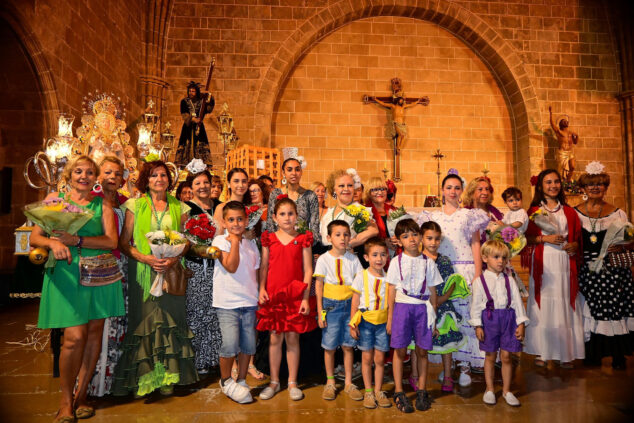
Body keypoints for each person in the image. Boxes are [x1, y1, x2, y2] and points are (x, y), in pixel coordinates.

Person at [31, 155, 124, 422]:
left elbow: (111, 241)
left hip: (98, 274)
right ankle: (65, 402)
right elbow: (35, 237)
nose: (83, 176)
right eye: (78, 172)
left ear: (95, 178)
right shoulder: (56, 201)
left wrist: (77, 239)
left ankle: (82, 396)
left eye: (89, 173)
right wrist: (54, 243)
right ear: (69, 175)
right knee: (73, 338)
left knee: (94, 335)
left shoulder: (102, 205)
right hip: (66, 274)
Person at [113, 160, 197, 397]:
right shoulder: (134, 205)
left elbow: (186, 240)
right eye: (153, 175)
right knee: (146, 323)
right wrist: (146, 258)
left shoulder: (180, 207)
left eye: (163, 175)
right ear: (145, 180)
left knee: (170, 320)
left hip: (170, 272)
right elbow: (124, 242)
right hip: (143, 271)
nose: (159, 179)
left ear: (169, 180)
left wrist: (172, 259)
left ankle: (168, 376)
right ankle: (147, 379)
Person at [419, 170, 489, 386]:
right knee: (445, 319)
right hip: (440, 271)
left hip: (465, 270)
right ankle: (448, 365)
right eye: (448, 187)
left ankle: (465, 365)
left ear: (462, 191)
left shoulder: (470, 215)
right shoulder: (432, 217)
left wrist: (478, 274)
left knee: (464, 317)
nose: (452, 191)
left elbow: (476, 244)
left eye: (457, 188)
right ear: (442, 190)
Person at [257, 198, 317, 401]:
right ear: (274, 217)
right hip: (274, 295)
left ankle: (292, 381)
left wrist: (305, 298)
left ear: (297, 216)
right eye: (282, 214)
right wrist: (262, 288)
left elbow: (308, 271)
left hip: (295, 296)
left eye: (291, 213)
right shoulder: (269, 238)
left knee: (293, 338)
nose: (287, 218)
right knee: (274, 338)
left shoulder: (303, 238)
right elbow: (264, 266)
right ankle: (274, 381)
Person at [575, 164, 633, 369]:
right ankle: (593, 353)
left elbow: (630, 240)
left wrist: (623, 245)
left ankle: (618, 354)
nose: (595, 188)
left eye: (600, 184)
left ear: (606, 187)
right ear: (583, 188)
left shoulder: (617, 214)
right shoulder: (575, 214)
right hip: (586, 270)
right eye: (591, 185)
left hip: (612, 270)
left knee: (613, 309)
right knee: (591, 309)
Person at [525, 169, 584, 368]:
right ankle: (542, 351)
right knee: (545, 303)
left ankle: (565, 352)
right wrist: (544, 238)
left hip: (564, 260)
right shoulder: (533, 211)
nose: (553, 185)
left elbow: (577, 238)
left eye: (556, 182)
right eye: (548, 182)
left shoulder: (569, 211)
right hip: (544, 261)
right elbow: (525, 239)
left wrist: (575, 246)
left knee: (564, 301)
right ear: (540, 186)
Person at [386, 219, 441, 413]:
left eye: (414, 234)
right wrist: (390, 317)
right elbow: (391, 290)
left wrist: (433, 319)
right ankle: (399, 391)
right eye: (405, 236)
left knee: (422, 351)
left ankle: (422, 389)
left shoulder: (428, 262)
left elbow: (433, 291)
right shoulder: (396, 261)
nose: (412, 239)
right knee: (400, 351)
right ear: (399, 241)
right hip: (402, 307)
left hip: (422, 309)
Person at [212, 201, 261, 404]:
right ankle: (225, 380)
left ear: (246, 220)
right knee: (230, 343)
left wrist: (257, 295)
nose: (236, 223)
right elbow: (231, 266)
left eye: (240, 219)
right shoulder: (219, 241)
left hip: (249, 301)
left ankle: (241, 379)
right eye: (231, 220)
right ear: (224, 222)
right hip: (227, 303)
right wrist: (233, 240)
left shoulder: (251, 245)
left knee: (248, 345)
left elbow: (255, 272)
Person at [88, 156, 129, 397]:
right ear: (98, 175)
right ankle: (90, 384)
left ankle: (111, 382)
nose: (112, 178)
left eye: (117, 174)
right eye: (108, 173)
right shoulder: (91, 201)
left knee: (117, 324)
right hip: (97, 267)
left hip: (121, 268)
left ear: (123, 180)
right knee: (96, 326)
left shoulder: (126, 203)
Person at [470, 240, 528, 406]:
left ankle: (507, 391)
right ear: (485, 258)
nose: (501, 261)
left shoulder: (510, 280)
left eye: (504, 257)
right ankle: (489, 389)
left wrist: (521, 323)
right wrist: (478, 325)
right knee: (490, 356)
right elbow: (475, 305)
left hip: (508, 319)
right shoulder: (479, 281)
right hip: (489, 320)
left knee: (507, 356)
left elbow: (517, 302)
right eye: (496, 257)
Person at [314, 220, 363, 401]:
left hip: (350, 305)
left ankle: (349, 382)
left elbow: (358, 287)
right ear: (328, 238)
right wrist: (320, 312)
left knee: (348, 345)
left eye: (346, 234)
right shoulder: (323, 259)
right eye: (337, 234)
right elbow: (318, 286)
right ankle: (330, 382)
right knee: (329, 346)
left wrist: (356, 313)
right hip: (330, 306)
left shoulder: (354, 259)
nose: (342, 238)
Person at [183, 169, 222, 375]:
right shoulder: (187, 208)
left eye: (206, 182)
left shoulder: (219, 206)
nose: (203, 186)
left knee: (215, 313)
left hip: (218, 268)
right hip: (196, 267)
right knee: (197, 312)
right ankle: (197, 359)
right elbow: (183, 239)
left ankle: (214, 358)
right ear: (191, 187)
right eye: (197, 183)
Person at [421, 221, 465, 393]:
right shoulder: (417, 260)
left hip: (443, 306)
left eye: (437, 239)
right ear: (421, 239)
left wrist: (440, 300)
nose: (433, 242)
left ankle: (447, 374)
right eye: (429, 238)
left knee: (447, 343)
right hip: (422, 307)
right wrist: (430, 302)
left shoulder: (445, 260)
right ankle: (417, 375)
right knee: (418, 344)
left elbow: (451, 283)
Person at [349, 237, 392, 409]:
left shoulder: (389, 279)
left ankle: (379, 390)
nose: (379, 259)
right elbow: (354, 302)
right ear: (366, 257)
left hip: (382, 324)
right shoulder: (361, 276)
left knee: (380, 358)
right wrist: (353, 324)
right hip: (366, 322)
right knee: (367, 358)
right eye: (375, 255)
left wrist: (390, 322)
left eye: (383, 255)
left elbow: (391, 303)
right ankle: (368, 391)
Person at [320, 169, 379, 265]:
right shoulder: (328, 213)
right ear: (334, 189)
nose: (346, 189)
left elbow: (373, 230)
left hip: (350, 260)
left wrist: (350, 243)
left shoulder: (360, 209)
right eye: (341, 186)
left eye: (350, 185)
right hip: (328, 261)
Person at [266, 158, 321, 247]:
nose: (294, 173)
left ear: (301, 172)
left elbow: (314, 228)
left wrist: (307, 244)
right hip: (279, 245)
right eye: (289, 169)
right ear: (283, 173)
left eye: (297, 169)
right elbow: (270, 225)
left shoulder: (310, 196)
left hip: (303, 247)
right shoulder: (275, 194)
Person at [176, 81, 214, 166]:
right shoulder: (184, 101)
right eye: (190, 91)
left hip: (199, 127)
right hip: (188, 127)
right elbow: (184, 114)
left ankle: (201, 164)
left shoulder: (202, 102)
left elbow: (209, 109)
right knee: (186, 145)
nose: (191, 93)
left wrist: (209, 97)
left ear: (196, 92)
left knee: (200, 145)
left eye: (193, 91)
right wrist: (192, 119)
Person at [463, 176, 504, 244]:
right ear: (472, 193)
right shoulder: (466, 212)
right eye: (480, 189)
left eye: (487, 189)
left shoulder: (493, 211)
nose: (485, 193)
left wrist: (503, 227)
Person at [364, 177, 398, 257]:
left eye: (383, 189)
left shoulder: (394, 210)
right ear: (368, 193)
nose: (380, 192)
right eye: (375, 189)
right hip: (375, 255)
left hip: (395, 254)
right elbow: (363, 238)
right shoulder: (364, 211)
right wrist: (383, 241)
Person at [213, 168, 251, 234]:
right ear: (228, 184)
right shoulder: (221, 208)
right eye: (236, 181)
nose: (241, 185)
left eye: (244, 181)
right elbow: (218, 237)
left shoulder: (252, 209)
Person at [549, 105, 578, 183]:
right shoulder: (559, 132)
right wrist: (550, 113)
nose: (565, 122)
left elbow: (575, 142)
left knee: (572, 167)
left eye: (566, 121)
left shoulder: (571, 133)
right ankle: (564, 181)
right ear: (561, 124)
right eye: (563, 121)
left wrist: (576, 136)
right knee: (562, 169)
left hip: (570, 152)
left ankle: (568, 179)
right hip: (562, 153)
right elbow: (552, 124)